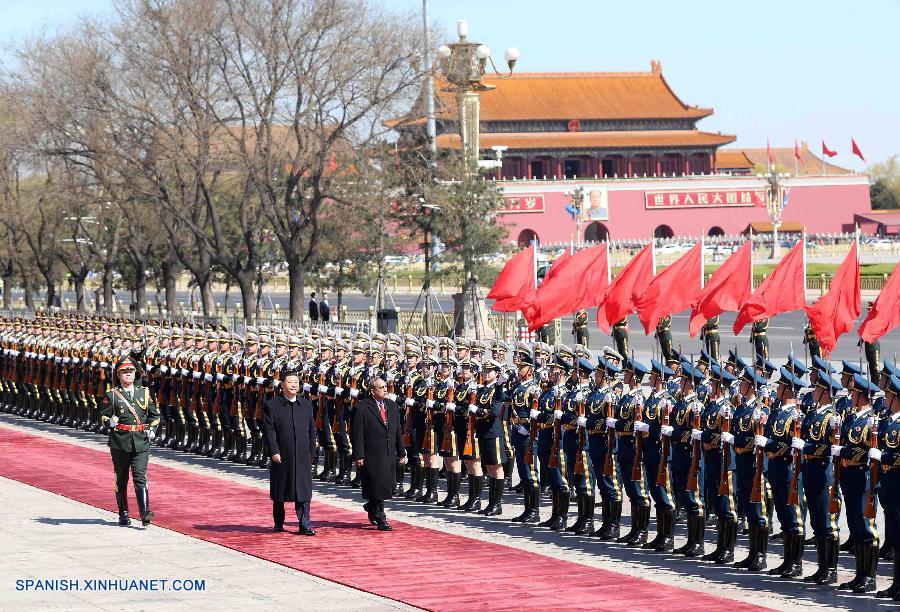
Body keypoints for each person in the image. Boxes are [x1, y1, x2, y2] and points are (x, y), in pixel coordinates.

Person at [99, 357, 160, 527]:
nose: (128, 375)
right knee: (121, 478)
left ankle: (144, 512)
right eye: (125, 372)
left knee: (140, 476)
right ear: (118, 375)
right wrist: (109, 421)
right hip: (120, 442)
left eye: (131, 372)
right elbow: (102, 415)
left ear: (135, 374)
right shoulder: (112, 395)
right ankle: (123, 513)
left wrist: (152, 430)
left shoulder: (144, 392)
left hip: (141, 441)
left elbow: (155, 416)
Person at [263, 368, 317, 535]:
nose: (293, 385)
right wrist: (274, 451)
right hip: (282, 454)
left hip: (302, 454)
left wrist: (312, 452)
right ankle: (279, 521)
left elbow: (312, 430)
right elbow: (269, 431)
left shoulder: (306, 404)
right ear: (282, 385)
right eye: (290, 382)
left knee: (303, 489)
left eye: (296, 382)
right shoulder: (272, 405)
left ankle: (305, 524)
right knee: (280, 490)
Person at [353, 377, 408, 531]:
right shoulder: (362, 407)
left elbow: (397, 431)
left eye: (385, 387)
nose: (385, 390)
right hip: (372, 453)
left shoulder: (391, 405)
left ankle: (370, 506)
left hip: (389, 452)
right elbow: (357, 434)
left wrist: (402, 451)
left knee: (389, 486)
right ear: (372, 391)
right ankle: (381, 517)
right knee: (378, 486)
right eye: (381, 387)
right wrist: (358, 455)